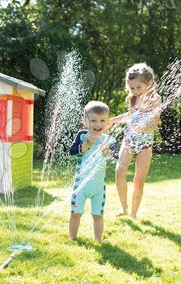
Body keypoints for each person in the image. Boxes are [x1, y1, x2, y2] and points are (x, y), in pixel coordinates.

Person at [109, 63, 161, 220]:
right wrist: (112, 121)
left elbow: (154, 122)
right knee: (119, 171)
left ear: (149, 83)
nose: (135, 91)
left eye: (138, 87)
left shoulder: (155, 99)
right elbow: (129, 116)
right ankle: (124, 208)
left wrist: (142, 128)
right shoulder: (132, 99)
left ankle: (133, 214)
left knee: (139, 180)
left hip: (145, 145)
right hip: (129, 140)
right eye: (132, 88)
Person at [69, 101, 118, 242]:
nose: (98, 124)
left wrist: (107, 151)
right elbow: (72, 151)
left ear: (108, 123)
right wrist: (87, 144)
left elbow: (115, 156)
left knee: (98, 215)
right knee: (75, 213)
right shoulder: (82, 136)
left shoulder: (108, 139)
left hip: (99, 188)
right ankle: (72, 239)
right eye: (94, 120)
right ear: (85, 122)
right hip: (80, 187)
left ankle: (98, 240)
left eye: (102, 121)